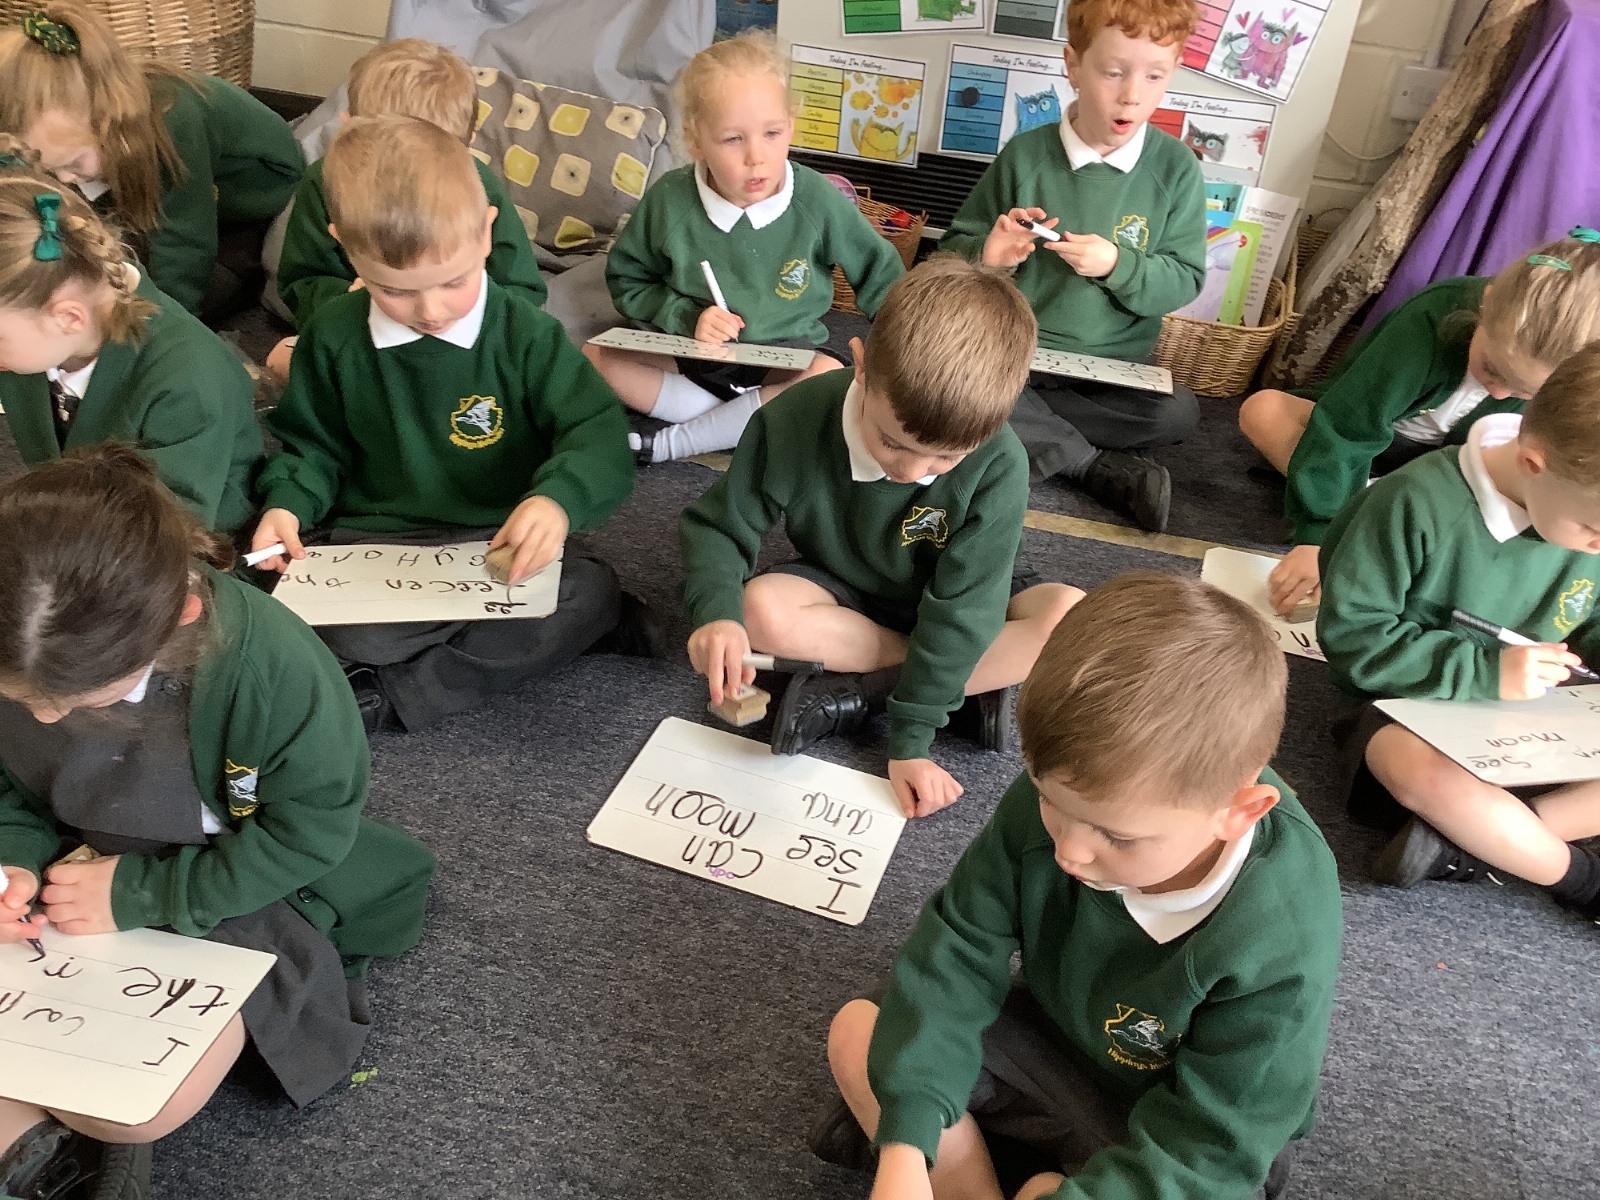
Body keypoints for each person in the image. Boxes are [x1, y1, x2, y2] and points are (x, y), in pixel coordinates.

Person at [814, 571, 1342, 1200]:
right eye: (1049, 802)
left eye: (1117, 837)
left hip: (1189, 1133)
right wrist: (905, 1148)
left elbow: (1214, 1148)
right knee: (862, 1034)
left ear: (1239, 812)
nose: (1069, 850)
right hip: (1060, 1050)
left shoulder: (1282, 927)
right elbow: (957, 950)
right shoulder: (1078, 791)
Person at [0, 448, 435, 1200]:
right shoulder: (20, 645)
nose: (42, 716)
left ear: (179, 618)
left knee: (139, 1108)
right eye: (21, 696)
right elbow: (11, 789)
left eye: (73, 699)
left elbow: (307, 835)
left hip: (229, 883)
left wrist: (144, 895)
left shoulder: (275, 669)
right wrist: (12, 860)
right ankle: (38, 1149)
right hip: (74, 866)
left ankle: (81, 1144)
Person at [251, 116, 653, 734]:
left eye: (454, 281)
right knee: (287, 611)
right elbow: (312, 447)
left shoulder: (525, 333)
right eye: (395, 291)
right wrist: (287, 505)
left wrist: (556, 501)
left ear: (487, 231)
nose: (430, 311)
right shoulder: (331, 335)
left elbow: (596, 433)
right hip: (379, 543)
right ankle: (482, 647)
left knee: (585, 593)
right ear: (344, 248)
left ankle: (388, 695)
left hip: (500, 542)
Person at [680, 256, 1081, 817]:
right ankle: (965, 685)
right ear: (862, 366)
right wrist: (715, 614)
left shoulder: (1000, 462)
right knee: (758, 609)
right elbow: (721, 525)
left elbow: (966, 610)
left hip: (975, 595)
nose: (911, 472)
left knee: (1075, 620)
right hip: (848, 585)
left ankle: (867, 693)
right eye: (892, 442)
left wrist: (910, 738)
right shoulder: (795, 417)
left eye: (944, 459)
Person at [1317, 342, 1600, 919]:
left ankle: (1476, 843)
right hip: (1412, 711)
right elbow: (1352, 635)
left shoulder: (1579, 507)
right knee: (1412, 770)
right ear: (1533, 464)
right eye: (1594, 530)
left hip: (1540, 723)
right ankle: (1580, 878)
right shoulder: (1413, 501)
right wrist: (1485, 670)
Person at [939, 0, 1205, 534]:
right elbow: (948, 258)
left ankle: (1018, 432)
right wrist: (990, 256)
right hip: (1014, 357)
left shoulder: (1176, 168)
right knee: (946, 375)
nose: (1132, 95)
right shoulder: (1024, 156)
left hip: (1110, 375)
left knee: (1179, 413)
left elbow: (1184, 279)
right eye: (1114, 72)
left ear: (1174, 72)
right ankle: (1090, 465)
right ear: (1073, 65)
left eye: (1155, 76)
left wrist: (1118, 265)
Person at [1241, 229, 1600, 615]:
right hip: (1368, 442)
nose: (1500, 394)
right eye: (1493, 369)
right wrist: (1319, 535)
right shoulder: (1430, 318)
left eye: (1525, 392)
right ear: (1486, 303)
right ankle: (1364, 505)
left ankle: (1380, 508)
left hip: (1445, 470)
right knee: (1263, 411)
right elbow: (1347, 426)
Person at [590, 29, 905, 464]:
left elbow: (882, 276)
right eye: (733, 139)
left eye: (772, 133)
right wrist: (686, 316)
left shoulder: (815, 199)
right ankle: (742, 422)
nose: (756, 156)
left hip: (786, 358)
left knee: (831, 376)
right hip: (692, 351)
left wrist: (906, 348)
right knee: (595, 354)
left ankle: (675, 442)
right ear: (695, 141)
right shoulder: (669, 200)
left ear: (791, 125)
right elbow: (627, 280)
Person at [0, 147, 262, 533]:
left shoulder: (187, 378)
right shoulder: (38, 333)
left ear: (68, 318)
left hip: (185, 539)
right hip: (82, 517)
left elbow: (171, 537)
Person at [269, 36, 548, 382]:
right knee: (281, 359)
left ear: (466, 146)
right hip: (364, 335)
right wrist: (348, 302)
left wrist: (469, 313)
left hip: (463, 343)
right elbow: (301, 281)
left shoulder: (480, 186)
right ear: (348, 129)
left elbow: (522, 287)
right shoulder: (324, 183)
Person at [0, 2, 304, 317]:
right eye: (52, 169)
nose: (64, 179)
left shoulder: (173, 125)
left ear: (111, 124)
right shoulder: (89, 129)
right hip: (176, 196)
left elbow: (184, 243)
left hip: (256, 206)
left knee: (182, 289)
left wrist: (164, 325)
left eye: (73, 164)